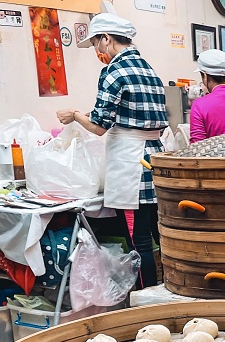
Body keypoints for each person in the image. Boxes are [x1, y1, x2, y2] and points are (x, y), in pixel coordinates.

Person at [55, 13, 167, 289]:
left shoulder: (113, 71)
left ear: (106, 39)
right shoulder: (149, 70)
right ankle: (166, 291)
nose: (97, 50)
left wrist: (75, 115)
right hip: (154, 160)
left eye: (96, 43)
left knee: (137, 240)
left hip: (130, 166)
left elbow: (98, 125)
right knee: (159, 235)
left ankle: (145, 301)